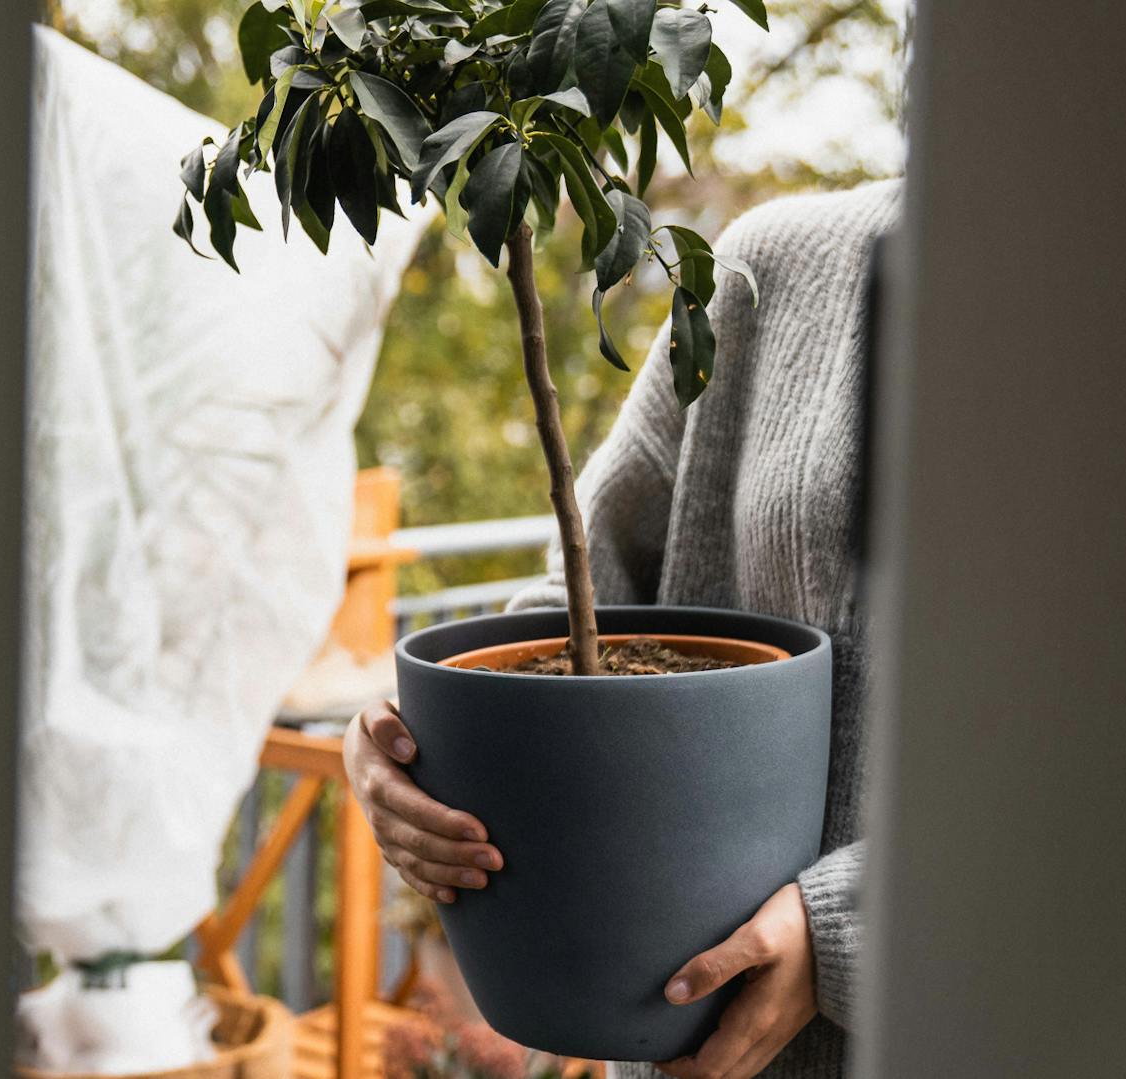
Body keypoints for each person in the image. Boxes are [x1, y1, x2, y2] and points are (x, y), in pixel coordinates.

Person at [344, 180, 902, 1079]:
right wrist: (405, 743)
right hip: (662, 1039)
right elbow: (582, 600)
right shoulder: (774, 266)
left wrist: (847, 923)